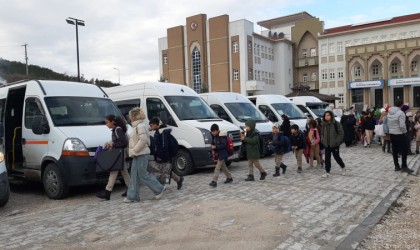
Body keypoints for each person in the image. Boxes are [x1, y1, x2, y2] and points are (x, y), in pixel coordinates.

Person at [125, 108, 166, 202]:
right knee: (134, 174)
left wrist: (135, 150)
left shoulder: (140, 126)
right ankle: (132, 196)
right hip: (138, 154)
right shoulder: (137, 126)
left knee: (143, 175)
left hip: (141, 154)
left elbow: (143, 140)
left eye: (130, 115)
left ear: (134, 116)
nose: (129, 117)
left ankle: (159, 189)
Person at [96, 115, 131, 200]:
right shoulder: (116, 129)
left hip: (119, 154)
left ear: (112, 122)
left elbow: (123, 142)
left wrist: (113, 144)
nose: (106, 124)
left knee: (114, 172)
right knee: (124, 172)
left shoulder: (117, 129)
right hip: (119, 154)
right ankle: (131, 189)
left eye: (107, 122)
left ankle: (107, 192)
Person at [149, 117, 184, 190]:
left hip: (164, 155)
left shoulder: (162, 132)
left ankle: (162, 186)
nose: (150, 127)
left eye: (151, 125)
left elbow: (164, 146)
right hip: (161, 155)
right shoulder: (158, 132)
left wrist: (161, 156)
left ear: (156, 124)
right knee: (165, 169)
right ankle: (178, 179)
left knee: (163, 170)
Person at [385, 99, 413, 173]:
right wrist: (405, 132)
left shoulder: (389, 112)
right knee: (404, 150)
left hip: (392, 133)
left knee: (395, 150)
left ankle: (396, 166)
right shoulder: (401, 113)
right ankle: (404, 166)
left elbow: (388, 123)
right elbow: (402, 125)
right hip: (400, 134)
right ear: (401, 105)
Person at [320, 110, 346, 178]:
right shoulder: (323, 124)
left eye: (328, 115)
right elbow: (322, 134)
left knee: (336, 157)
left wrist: (337, 141)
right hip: (327, 144)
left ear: (331, 116)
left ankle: (343, 167)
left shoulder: (336, 124)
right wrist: (322, 140)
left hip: (335, 145)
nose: (326, 117)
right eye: (325, 115)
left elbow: (341, 133)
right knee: (327, 158)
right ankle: (327, 172)